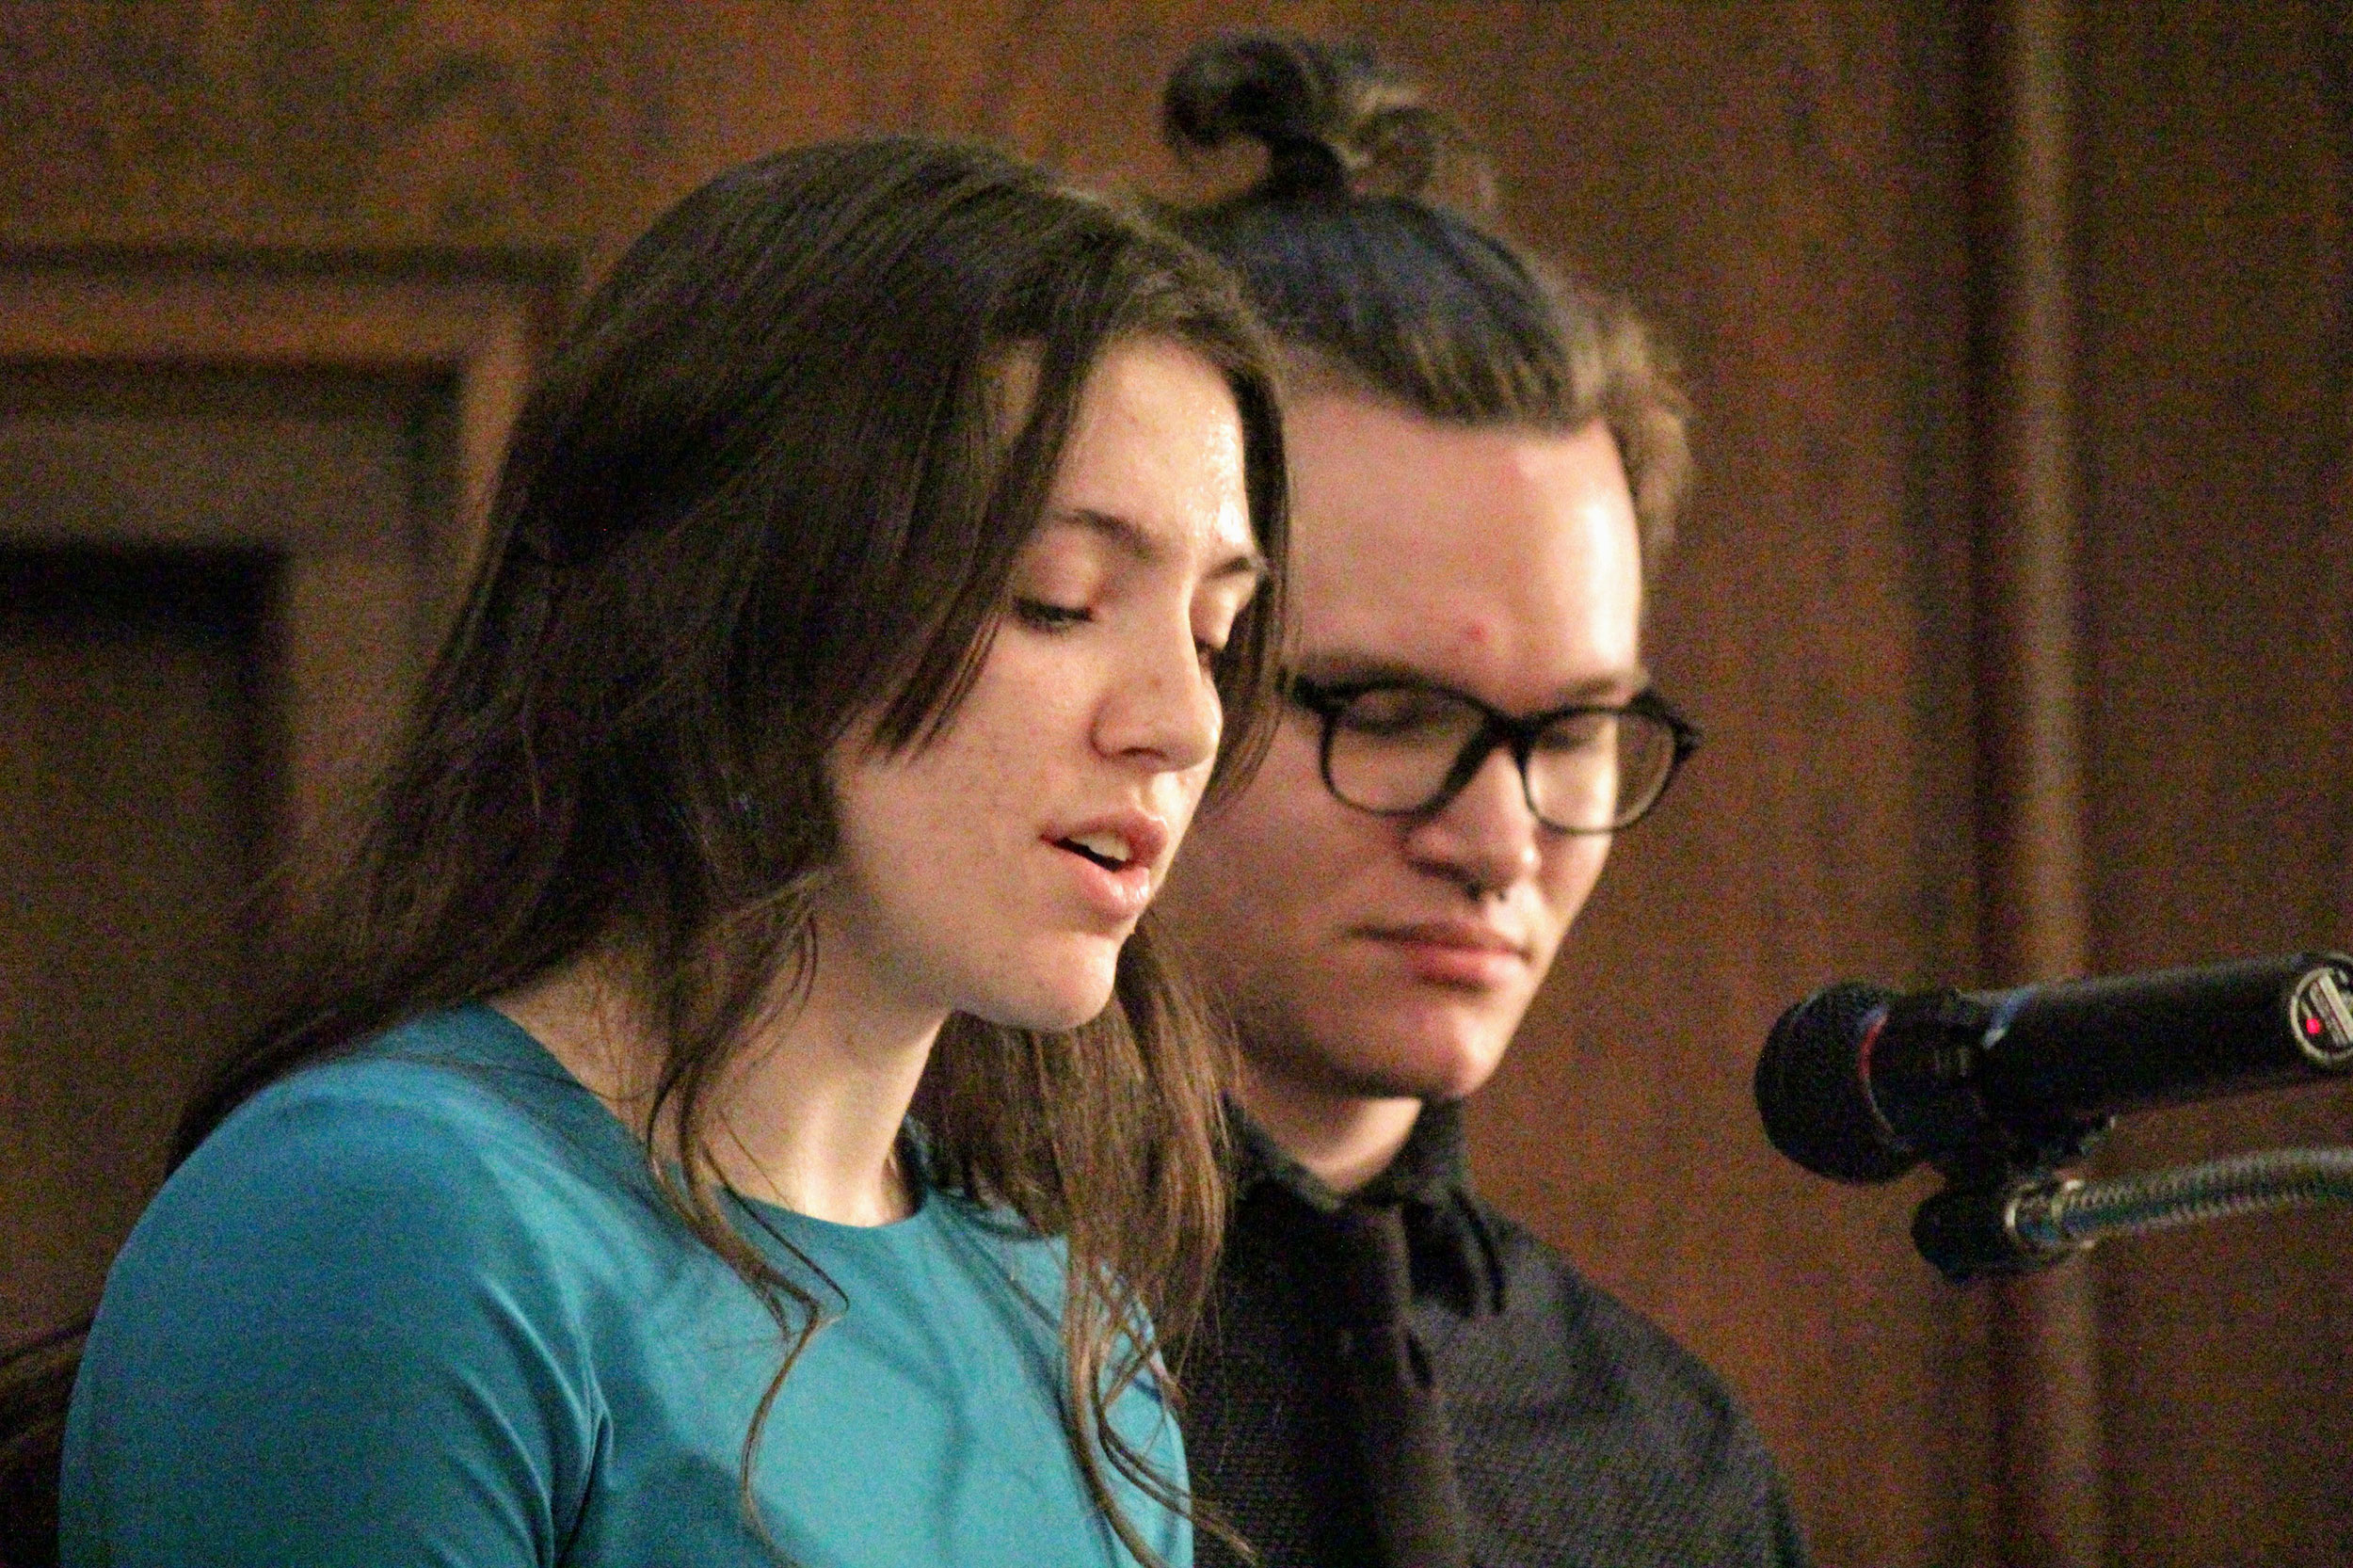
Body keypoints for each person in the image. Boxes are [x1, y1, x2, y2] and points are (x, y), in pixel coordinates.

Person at [2, 136, 1291, 1568]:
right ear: (738, 592)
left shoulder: (1065, 1330)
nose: (1183, 721)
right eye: (1058, 600)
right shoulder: (385, 1224)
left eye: (1216, 633)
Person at [1148, 36, 1810, 1568]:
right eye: (1390, 714)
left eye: (1573, 731)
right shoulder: (869, 1362)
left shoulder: (1673, 1467)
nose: (1502, 843)